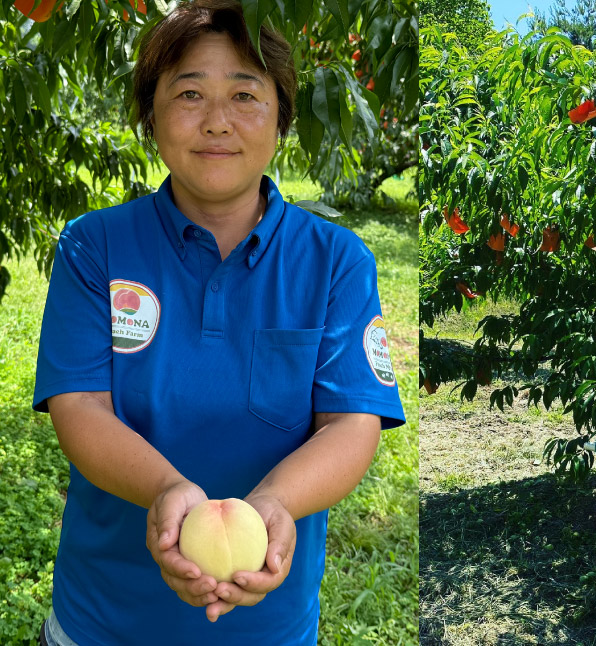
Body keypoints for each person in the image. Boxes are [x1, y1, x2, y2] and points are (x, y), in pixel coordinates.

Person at [30, 1, 406, 644]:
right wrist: (165, 489)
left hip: (270, 628)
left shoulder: (337, 261)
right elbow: (80, 407)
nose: (217, 121)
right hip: (101, 622)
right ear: (151, 116)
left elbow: (351, 423)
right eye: (189, 94)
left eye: (245, 95)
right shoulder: (94, 246)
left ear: (281, 119)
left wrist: (276, 502)